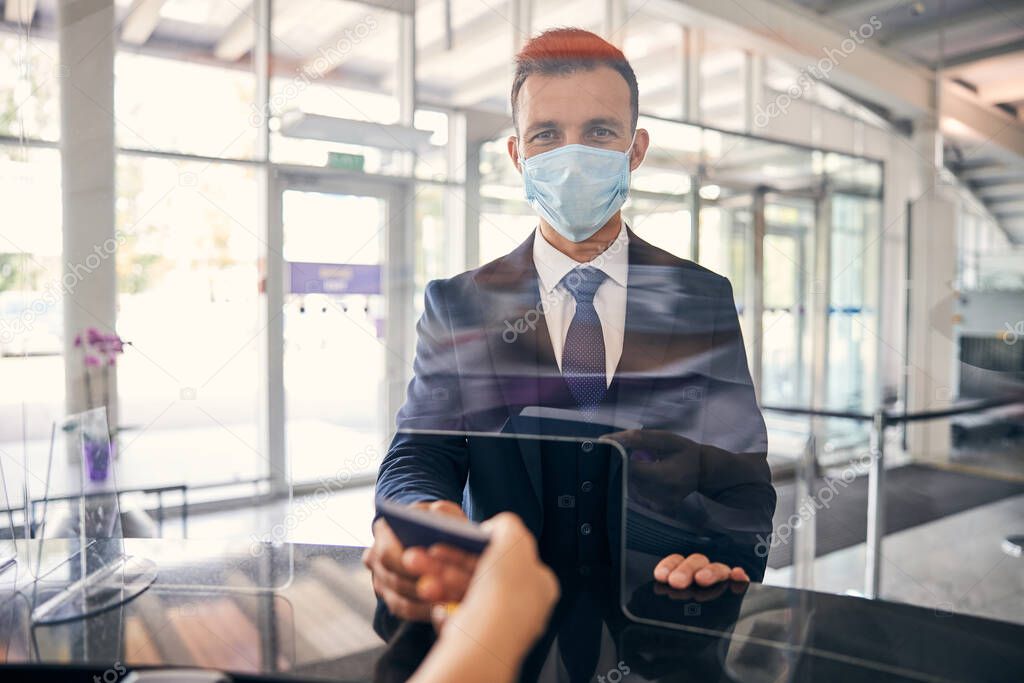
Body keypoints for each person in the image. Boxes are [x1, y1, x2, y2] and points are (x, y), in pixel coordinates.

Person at [365, 27, 775, 631]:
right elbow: (420, 451)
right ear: (518, 156)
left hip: (659, 617)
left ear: (635, 150)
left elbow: (740, 474)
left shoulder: (700, 297)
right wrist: (423, 517)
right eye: (547, 135)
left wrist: (722, 553)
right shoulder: (461, 305)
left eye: (599, 132)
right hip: (501, 621)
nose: (572, 154)